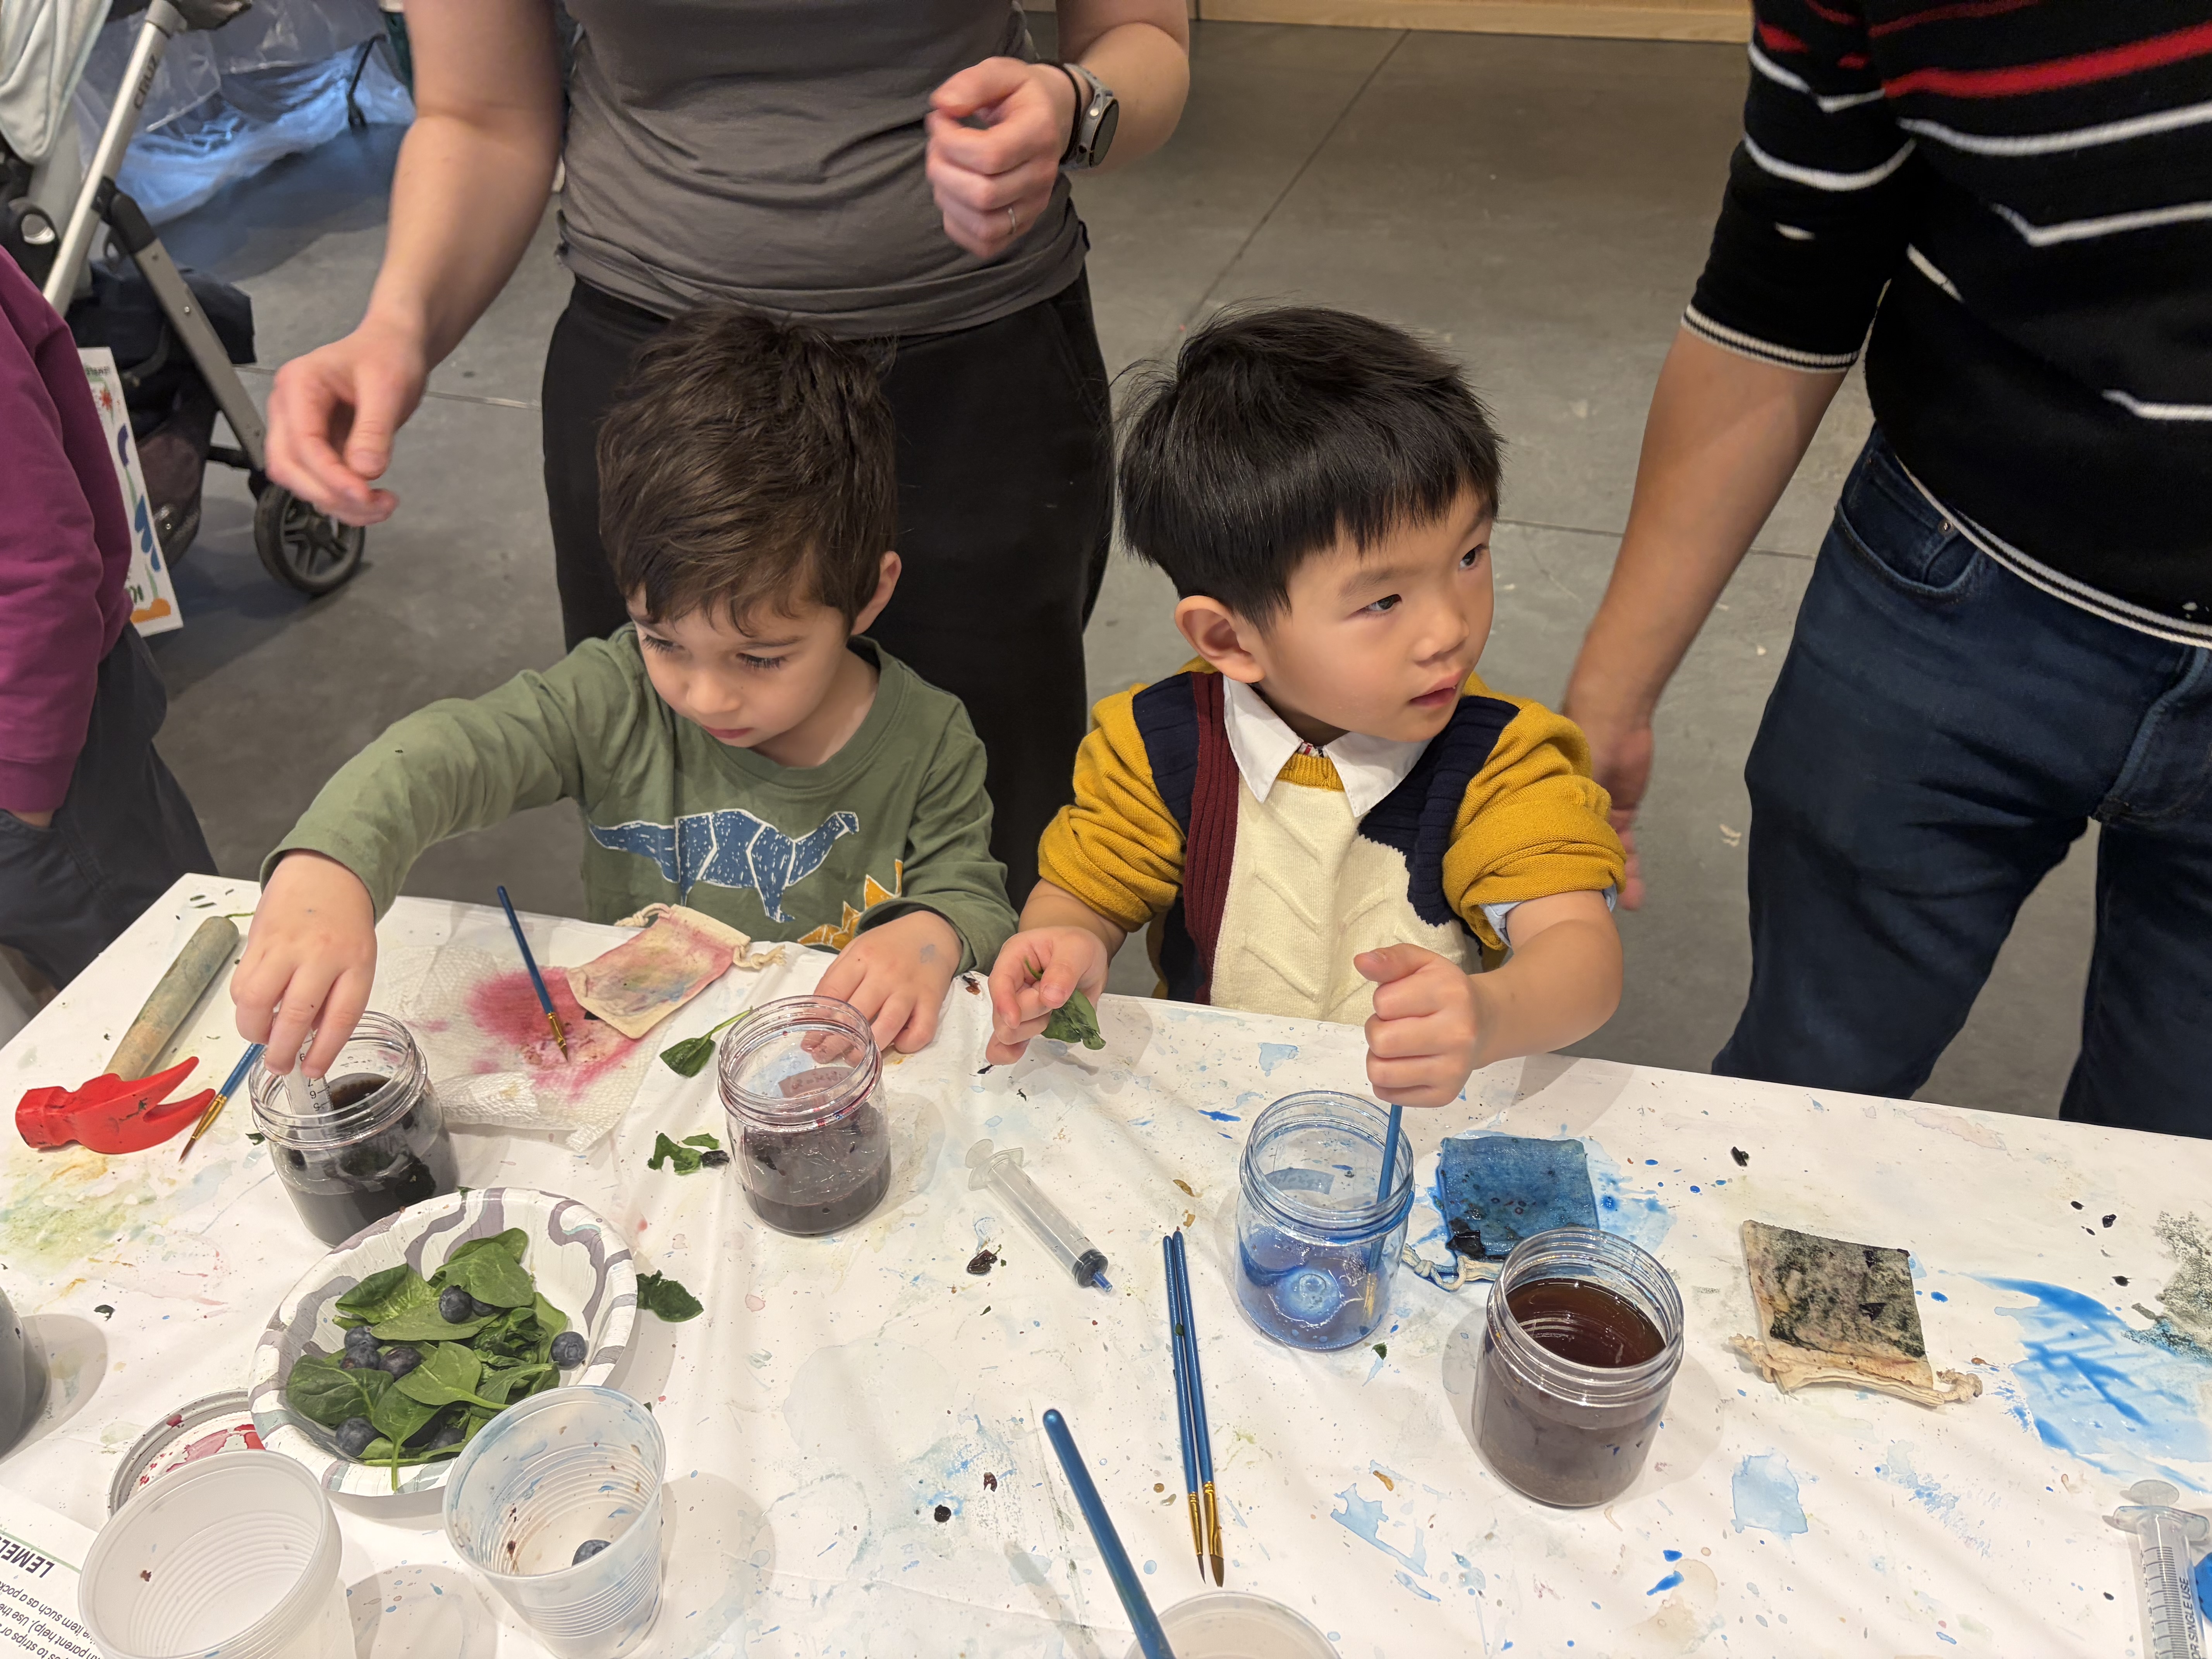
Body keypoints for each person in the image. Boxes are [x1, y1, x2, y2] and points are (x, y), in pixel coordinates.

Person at [260, 0, 1191, 907]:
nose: (713, 688)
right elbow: (481, 110)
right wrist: (399, 324)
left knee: (990, 820)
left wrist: (1076, 106)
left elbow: (1140, 38)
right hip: (659, 377)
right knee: (667, 794)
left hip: (967, 365)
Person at [1561, 5, 2212, 1133]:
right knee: (1804, 1097)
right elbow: (1784, 277)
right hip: (1957, 587)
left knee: (2179, 1199)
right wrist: (1611, 693)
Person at [234, 306, 1016, 1078]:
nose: (705, 696)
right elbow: (448, 753)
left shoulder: (931, 739)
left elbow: (972, 892)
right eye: (664, 640)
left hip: (825, 1073)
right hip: (638, 1068)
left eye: (762, 657)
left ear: (870, 597)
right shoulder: (614, 696)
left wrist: (931, 932)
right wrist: (330, 866)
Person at [984, 307, 1626, 1108]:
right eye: (1384, 600)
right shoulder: (1155, 747)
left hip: (1417, 1122)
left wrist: (1492, 1015)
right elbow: (1086, 890)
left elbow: (1580, 954)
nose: (1450, 630)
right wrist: (1065, 941)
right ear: (1230, 636)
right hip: (1212, 1108)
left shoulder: (1499, 761)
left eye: (1470, 556)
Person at [0, 252, 213, 989]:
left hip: (43, 751)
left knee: (177, 1016)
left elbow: (41, 563)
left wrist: (27, 791)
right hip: (42, 748)